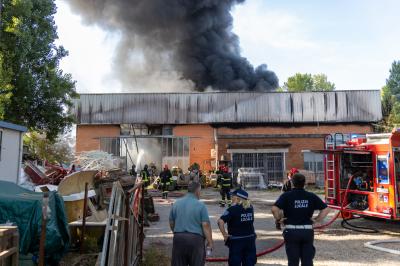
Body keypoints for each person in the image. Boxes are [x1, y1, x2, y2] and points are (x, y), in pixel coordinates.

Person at [272, 173, 330, 266]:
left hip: (291, 231)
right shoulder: (311, 196)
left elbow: (274, 209)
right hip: (307, 231)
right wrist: (317, 220)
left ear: (292, 183)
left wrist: (279, 219)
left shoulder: (286, 196)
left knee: (293, 262)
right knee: (307, 261)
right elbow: (326, 209)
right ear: (304, 183)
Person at [169, 182, 213, 266]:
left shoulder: (176, 203)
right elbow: (205, 225)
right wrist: (210, 242)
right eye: (200, 191)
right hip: (196, 240)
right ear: (197, 191)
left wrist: (177, 233)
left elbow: (171, 222)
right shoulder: (200, 205)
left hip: (179, 239)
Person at [218, 188, 256, 266]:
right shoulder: (250, 208)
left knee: (235, 262)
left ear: (238, 198)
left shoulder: (232, 209)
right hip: (250, 239)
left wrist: (224, 235)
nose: (231, 198)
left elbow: (220, 221)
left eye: (233, 196)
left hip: (236, 241)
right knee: (249, 262)